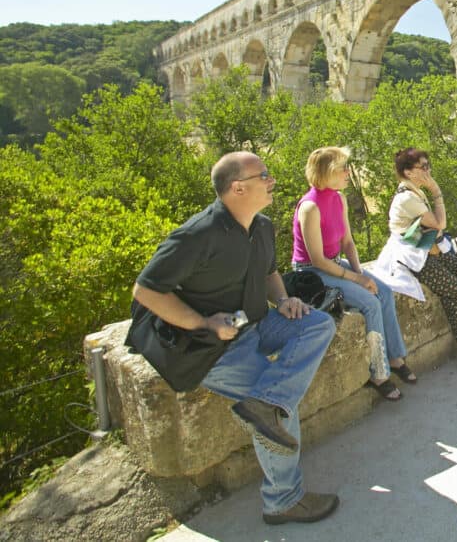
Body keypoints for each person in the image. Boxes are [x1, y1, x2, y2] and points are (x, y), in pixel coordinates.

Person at [132, 152, 339, 525]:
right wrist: (204, 323)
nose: (272, 180)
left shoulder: (260, 227)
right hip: (209, 348)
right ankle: (283, 501)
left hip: (256, 324)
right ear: (238, 187)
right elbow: (146, 291)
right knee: (277, 413)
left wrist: (285, 299)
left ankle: (265, 403)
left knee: (318, 325)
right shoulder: (197, 235)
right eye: (264, 175)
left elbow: (269, 272)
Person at [292, 146, 415, 402]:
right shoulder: (309, 207)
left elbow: (348, 243)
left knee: (383, 291)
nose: (348, 173)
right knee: (370, 303)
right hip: (312, 272)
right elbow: (316, 259)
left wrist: (362, 274)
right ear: (327, 172)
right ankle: (378, 374)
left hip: (335, 263)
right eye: (343, 168)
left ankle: (394, 357)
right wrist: (357, 280)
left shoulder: (339, 199)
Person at [381, 148, 457, 371]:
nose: (428, 170)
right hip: (413, 255)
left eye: (428, 165)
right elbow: (440, 224)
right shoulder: (407, 197)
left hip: (431, 248)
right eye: (423, 167)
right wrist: (436, 191)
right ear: (408, 172)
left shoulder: (416, 191)